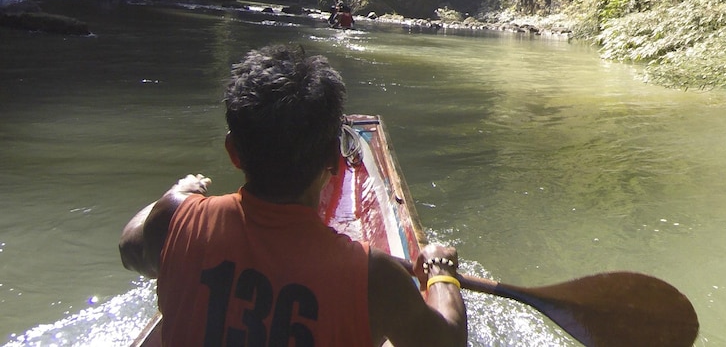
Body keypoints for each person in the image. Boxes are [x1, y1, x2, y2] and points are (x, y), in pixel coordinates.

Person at [119, 45, 467, 347]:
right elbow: (447, 342)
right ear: (334, 158)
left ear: (233, 152)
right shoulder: (376, 277)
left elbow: (130, 247)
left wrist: (179, 193)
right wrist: (441, 272)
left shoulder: (174, 217)